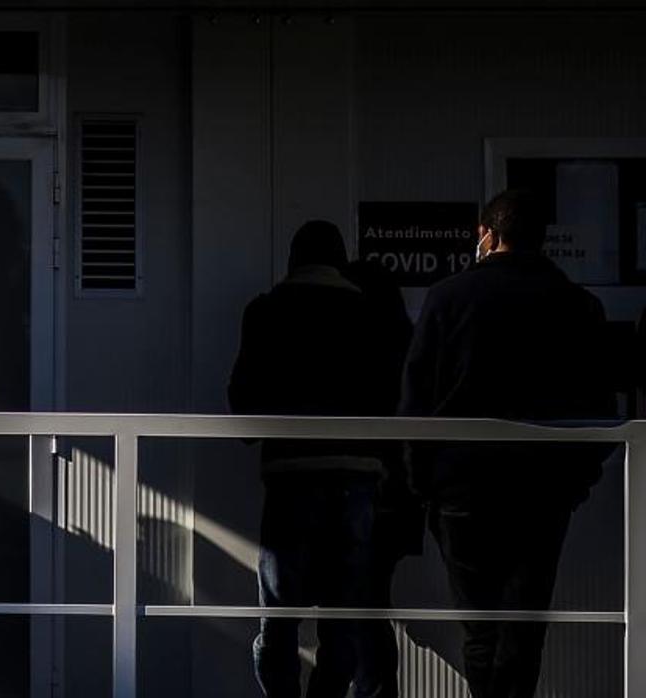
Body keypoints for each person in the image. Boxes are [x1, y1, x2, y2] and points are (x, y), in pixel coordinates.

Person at [400, 189, 616, 698]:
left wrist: (423, 482)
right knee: (523, 630)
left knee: (480, 628)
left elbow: (414, 401)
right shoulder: (578, 305)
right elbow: (599, 412)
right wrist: (574, 480)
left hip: (461, 490)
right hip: (542, 493)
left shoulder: (447, 298)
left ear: (487, 235)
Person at [229, 221, 398, 698]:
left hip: (291, 479)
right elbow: (389, 398)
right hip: (357, 477)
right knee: (341, 622)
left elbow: (243, 404)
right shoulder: (370, 313)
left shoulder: (266, 312)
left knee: (279, 619)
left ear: (293, 259)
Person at [336, 259, 423, 698]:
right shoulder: (405, 349)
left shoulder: (355, 349)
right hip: (397, 497)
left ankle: (370, 689)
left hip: (366, 492)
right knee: (367, 606)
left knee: (358, 609)